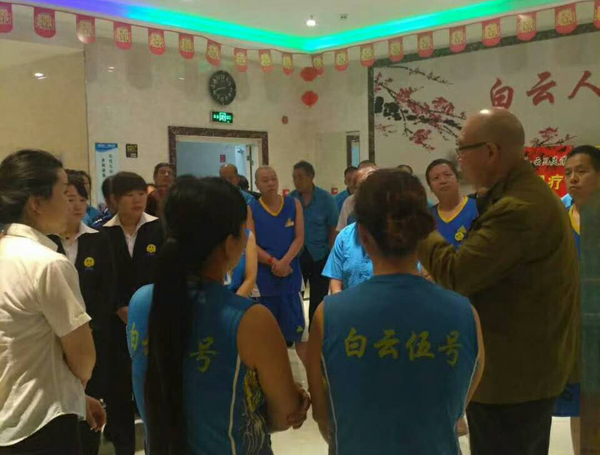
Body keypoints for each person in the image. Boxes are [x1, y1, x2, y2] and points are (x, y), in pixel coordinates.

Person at [417, 108, 580, 455]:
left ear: (490, 152)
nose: (459, 161)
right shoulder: (516, 195)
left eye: (462, 150)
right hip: (524, 368)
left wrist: (416, 223)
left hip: (512, 378)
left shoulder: (518, 208)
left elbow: (457, 273)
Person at [127, 176, 310, 455]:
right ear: (229, 243)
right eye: (243, 230)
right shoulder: (250, 320)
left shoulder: (141, 302)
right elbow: (284, 415)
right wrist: (294, 400)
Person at [307, 169, 484, 454]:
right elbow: (458, 405)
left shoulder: (327, 315)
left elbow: (322, 414)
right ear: (426, 232)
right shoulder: (465, 314)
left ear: (363, 235)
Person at [0, 149, 105, 455]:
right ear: (36, 203)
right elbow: (83, 358)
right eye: (63, 193)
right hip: (41, 420)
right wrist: (76, 387)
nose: (71, 204)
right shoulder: (47, 264)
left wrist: (76, 397)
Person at [49, 171, 116, 455]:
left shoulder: (98, 240)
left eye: (81, 199)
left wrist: (88, 327)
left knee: (91, 405)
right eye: (69, 198)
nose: (76, 205)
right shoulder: (46, 243)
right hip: (53, 340)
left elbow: (108, 288)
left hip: (92, 337)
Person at [102, 171, 164, 455]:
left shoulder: (159, 229)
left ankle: (156, 445)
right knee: (118, 392)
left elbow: (166, 275)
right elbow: (102, 281)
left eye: (141, 194)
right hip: (115, 325)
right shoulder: (102, 234)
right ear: (115, 200)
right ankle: (123, 448)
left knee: (153, 389)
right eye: (129, 195)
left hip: (153, 322)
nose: (137, 200)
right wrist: (119, 307)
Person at [555, 145, 600, 455]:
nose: (573, 178)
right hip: (574, 330)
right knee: (581, 407)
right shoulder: (558, 217)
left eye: (581, 171)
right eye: (568, 172)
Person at [248, 166, 305, 348]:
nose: (271, 183)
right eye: (265, 180)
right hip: (264, 279)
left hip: (290, 274)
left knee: (296, 335)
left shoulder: (293, 204)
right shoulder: (251, 209)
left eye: (274, 178)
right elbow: (251, 245)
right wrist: (274, 262)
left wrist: (285, 262)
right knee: (267, 337)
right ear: (256, 184)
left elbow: (299, 238)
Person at [291, 161, 339, 324]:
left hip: (320, 254)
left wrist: (330, 252)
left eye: (300, 177)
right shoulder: (291, 199)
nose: (297, 181)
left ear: (311, 176)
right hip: (297, 255)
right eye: (294, 177)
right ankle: (296, 329)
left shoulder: (326, 199)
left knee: (318, 297)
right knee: (296, 296)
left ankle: (316, 329)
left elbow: (332, 227)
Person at [426, 159, 478, 248]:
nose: (443, 181)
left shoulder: (479, 207)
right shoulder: (427, 218)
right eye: (436, 178)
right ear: (431, 188)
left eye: (447, 175)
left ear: (458, 180)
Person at [337, 164, 377, 232]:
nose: (364, 192)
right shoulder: (349, 201)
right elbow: (341, 230)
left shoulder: (386, 201)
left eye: (368, 186)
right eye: (358, 187)